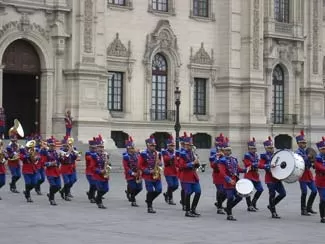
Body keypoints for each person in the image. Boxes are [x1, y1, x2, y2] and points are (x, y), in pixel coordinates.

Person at [218, 137, 247, 221]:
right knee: (230, 197)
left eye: (229, 150)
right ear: (223, 151)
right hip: (228, 182)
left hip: (235, 182)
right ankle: (229, 214)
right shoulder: (222, 160)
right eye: (226, 150)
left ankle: (228, 208)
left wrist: (246, 169)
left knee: (239, 197)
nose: (228, 152)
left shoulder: (233, 159)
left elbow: (238, 169)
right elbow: (222, 172)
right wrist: (228, 179)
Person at [259, 136, 286, 219]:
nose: (271, 149)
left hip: (277, 178)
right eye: (269, 148)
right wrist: (268, 165)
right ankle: (273, 212)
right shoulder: (264, 156)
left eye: (272, 147)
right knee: (272, 194)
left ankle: (271, 205)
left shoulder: (277, 155)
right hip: (269, 178)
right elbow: (260, 165)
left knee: (283, 194)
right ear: (266, 148)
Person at [295, 130, 317, 215]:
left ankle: (309, 207)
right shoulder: (297, 152)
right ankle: (303, 210)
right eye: (302, 143)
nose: (304, 144)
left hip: (308, 173)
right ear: (298, 143)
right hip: (302, 174)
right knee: (304, 192)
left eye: (304, 142)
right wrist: (308, 157)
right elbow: (300, 160)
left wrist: (313, 161)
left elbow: (311, 161)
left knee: (314, 191)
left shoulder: (306, 151)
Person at [178, 133, 201, 217]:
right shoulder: (182, 154)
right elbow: (181, 166)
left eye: (191, 145)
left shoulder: (193, 153)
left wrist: (197, 164)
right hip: (186, 176)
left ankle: (193, 209)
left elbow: (196, 165)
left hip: (194, 176)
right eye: (188, 145)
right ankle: (187, 211)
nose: (190, 146)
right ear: (185, 145)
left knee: (198, 191)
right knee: (188, 193)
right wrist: (192, 163)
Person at [138, 135, 163, 213]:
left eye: (154, 145)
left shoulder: (157, 153)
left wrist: (160, 163)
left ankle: (149, 200)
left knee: (159, 190)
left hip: (156, 174)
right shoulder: (143, 154)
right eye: (152, 145)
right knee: (150, 191)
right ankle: (150, 207)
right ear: (148, 145)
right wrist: (148, 171)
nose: (153, 147)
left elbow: (161, 164)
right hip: (148, 175)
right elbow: (140, 165)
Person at [243, 137, 264, 211]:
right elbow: (248, 164)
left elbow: (259, 164)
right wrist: (256, 164)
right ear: (249, 149)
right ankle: (249, 206)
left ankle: (253, 202)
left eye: (254, 148)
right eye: (252, 148)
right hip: (249, 175)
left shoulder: (256, 155)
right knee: (248, 191)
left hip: (255, 174)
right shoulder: (247, 156)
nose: (254, 150)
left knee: (260, 189)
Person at [122, 136, 143, 207]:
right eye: (131, 148)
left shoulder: (137, 155)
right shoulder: (126, 156)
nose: (133, 149)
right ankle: (133, 200)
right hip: (130, 175)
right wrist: (133, 173)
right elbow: (126, 167)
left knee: (140, 188)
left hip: (138, 174)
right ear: (128, 148)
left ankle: (131, 194)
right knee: (133, 187)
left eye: (133, 147)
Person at [41, 137, 61, 206]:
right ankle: (52, 199)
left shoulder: (56, 152)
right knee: (53, 185)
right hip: (50, 171)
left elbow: (58, 161)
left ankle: (50, 194)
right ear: (49, 145)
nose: (53, 147)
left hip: (56, 171)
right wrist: (51, 163)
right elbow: (43, 163)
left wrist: (61, 159)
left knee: (58, 186)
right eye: (51, 145)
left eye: (53, 145)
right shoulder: (45, 153)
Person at [91, 135, 110, 209]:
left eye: (102, 147)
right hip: (98, 175)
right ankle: (99, 203)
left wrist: (108, 170)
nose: (101, 148)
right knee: (100, 189)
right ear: (96, 148)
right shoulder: (94, 156)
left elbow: (108, 164)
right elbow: (92, 167)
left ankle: (97, 198)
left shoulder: (105, 155)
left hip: (105, 174)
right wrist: (100, 171)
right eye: (99, 147)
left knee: (106, 189)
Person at [209, 133, 227, 214]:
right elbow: (213, 165)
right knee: (220, 191)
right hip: (217, 174)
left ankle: (218, 203)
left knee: (226, 191)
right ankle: (219, 207)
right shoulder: (214, 153)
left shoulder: (226, 152)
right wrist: (219, 157)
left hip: (225, 175)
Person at [161, 135, 178, 205]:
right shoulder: (164, 151)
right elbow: (166, 159)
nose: (172, 147)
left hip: (175, 171)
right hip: (168, 171)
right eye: (171, 145)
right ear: (168, 146)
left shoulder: (176, 152)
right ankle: (170, 199)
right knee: (170, 185)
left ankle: (167, 194)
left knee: (176, 186)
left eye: (173, 145)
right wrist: (173, 156)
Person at [314, 136, 325, 223]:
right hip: (320, 181)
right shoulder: (318, 158)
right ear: (320, 149)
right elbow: (321, 168)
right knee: (323, 198)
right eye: (323, 149)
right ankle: (323, 216)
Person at [85, 138, 98, 203]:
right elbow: (90, 158)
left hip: (96, 172)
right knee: (93, 184)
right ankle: (91, 197)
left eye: (95, 148)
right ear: (90, 148)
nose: (94, 149)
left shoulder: (97, 154)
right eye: (92, 148)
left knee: (96, 185)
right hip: (89, 172)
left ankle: (91, 194)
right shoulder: (88, 153)